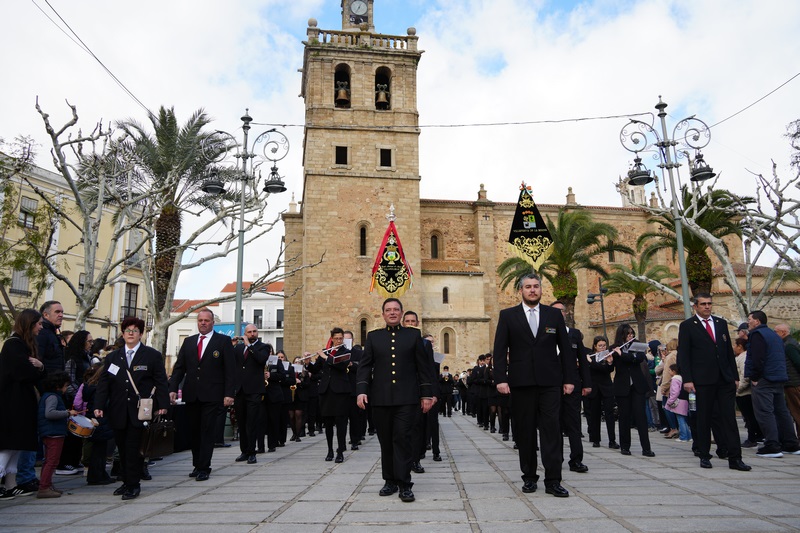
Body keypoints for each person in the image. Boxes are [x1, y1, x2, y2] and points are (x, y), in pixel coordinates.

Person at [493, 272, 576, 498]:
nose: (532, 290)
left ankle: (553, 480)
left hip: (550, 383)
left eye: (536, 286)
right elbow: (499, 350)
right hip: (521, 383)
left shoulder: (553, 315)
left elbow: (565, 350)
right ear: (521, 290)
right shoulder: (508, 316)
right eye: (528, 286)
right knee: (525, 432)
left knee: (552, 431)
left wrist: (569, 379)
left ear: (541, 289)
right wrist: (500, 378)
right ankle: (529, 477)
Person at [357, 298, 435, 503]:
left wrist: (426, 394)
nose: (392, 313)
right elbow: (365, 366)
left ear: (401, 313)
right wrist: (361, 390)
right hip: (381, 398)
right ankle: (389, 480)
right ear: (383, 314)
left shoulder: (413, 335)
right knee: (386, 441)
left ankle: (404, 484)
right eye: (388, 310)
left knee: (402, 439)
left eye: (396, 310)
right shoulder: (374, 337)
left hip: (406, 398)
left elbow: (423, 367)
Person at [94, 316, 169, 500]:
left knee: (133, 448)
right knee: (121, 447)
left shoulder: (151, 355)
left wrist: (163, 405)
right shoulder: (113, 357)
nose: (131, 334)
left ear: (141, 334)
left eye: (135, 331)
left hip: (140, 410)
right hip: (118, 409)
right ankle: (127, 481)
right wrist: (99, 405)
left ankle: (133, 484)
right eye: (127, 330)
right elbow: (104, 383)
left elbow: (160, 381)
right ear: (122, 333)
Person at [677, 293, 750, 471]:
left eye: (709, 303)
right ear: (695, 306)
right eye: (703, 304)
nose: (707, 307)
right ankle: (704, 455)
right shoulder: (688, 326)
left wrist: (734, 376)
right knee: (703, 418)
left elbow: (728, 352)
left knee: (729, 419)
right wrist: (687, 379)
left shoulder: (720, 323)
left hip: (724, 379)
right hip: (702, 380)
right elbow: (684, 355)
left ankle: (735, 458)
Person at [169, 308, 236, 481]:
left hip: (212, 395)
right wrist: (172, 388)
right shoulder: (189, 342)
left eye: (206, 320)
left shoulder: (223, 341)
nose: (203, 323)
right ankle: (197, 464)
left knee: (207, 431)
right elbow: (179, 368)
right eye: (200, 320)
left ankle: (204, 467)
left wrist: (229, 393)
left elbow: (230, 370)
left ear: (212, 322)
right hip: (192, 394)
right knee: (194, 431)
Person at [0, 309, 46, 501]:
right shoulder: (14, 345)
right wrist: (39, 368)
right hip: (12, 403)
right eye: (39, 323)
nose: (41, 327)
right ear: (30, 323)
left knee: (16, 446)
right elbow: (25, 372)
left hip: (20, 402)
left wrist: (40, 367)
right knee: (8, 445)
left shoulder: (19, 344)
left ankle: (11, 485)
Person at [744, 311, 800, 457]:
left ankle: (772, 445)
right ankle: (791, 444)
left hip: (764, 379)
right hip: (778, 377)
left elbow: (757, 358)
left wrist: (755, 376)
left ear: (757, 321)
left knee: (765, 412)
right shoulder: (774, 336)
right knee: (782, 412)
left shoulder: (757, 335)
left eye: (749, 319)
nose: (748, 322)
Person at [552, 301, 591, 473]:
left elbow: (582, 360)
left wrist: (586, 383)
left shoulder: (574, 334)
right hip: (552, 387)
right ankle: (556, 458)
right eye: (554, 311)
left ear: (565, 313)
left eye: (561, 310)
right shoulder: (544, 334)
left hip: (572, 385)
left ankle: (576, 460)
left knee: (574, 424)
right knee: (554, 425)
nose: (558, 313)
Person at [610, 324, 655, 458]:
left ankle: (646, 448)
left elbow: (639, 359)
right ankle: (625, 446)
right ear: (622, 335)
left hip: (637, 385)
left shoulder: (637, 345)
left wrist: (622, 355)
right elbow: (612, 367)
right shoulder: (614, 348)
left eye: (632, 334)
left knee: (641, 416)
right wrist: (609, 361)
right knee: (624, 416)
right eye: (628, 334)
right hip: (622, 386)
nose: (630, 336)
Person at [309, 328, 352, 463]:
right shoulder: (326, 351)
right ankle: (330, 450)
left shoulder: (345, 352)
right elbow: (315, 369)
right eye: (336, 338)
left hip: (340, 391)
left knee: (341, 422)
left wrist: (325, 357)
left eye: (341, 338)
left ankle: (340, 451)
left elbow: (340, 366)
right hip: (326, 391)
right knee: (327, 422)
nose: (339, 341)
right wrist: (308, 362)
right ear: (332, 339)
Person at [233, 324, 271, 465]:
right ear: (245, 333)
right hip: (240, 390)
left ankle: (252, 452)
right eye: (249, 332)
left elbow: (261, 360)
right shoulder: (238, 348)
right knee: (241, 422)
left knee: (252, 422)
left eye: (254, 331)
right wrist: (231, 346)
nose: (252, 334)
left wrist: (249, 345)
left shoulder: (263, 347)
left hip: (254, 389)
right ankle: (244, 451)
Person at [37, 372, 77, 498]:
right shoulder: (53, 397)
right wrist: (67, 413)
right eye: (65, 386)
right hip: (53, 433)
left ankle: (47, 485)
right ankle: (44, 487)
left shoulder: (49, 395)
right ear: (58, 386)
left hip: (50, 432)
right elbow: (50, 413)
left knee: (49, 460)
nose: (66, 388)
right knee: (52, 461)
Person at [585, 335, 618, 449]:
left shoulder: (607, 355)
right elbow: (590, 370)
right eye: (600, 346)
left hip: (606, 388)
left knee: (610, 414)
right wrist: (590, 362)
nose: (602, 348)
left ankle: (612, 440)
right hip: (594, 388)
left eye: (604, 345)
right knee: (595, 414)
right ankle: (596, 439)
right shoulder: (590, 356)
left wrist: (610, 363)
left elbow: (607, 370)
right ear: (595, 346)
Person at [734, 338, 762, 447]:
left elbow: (745, 377)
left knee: (749, 417)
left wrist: (737, 390)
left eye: (735, 345)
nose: (734, 348)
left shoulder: (743, 358)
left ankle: (752, 438)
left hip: (744, 393)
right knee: (749, 416)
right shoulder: (740, 357)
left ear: (740, 346)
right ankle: (757, 435)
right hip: (742, 393)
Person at [774, 323, 800, 436]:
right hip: (792, 383)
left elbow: (798, 362)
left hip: (794, 384)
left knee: (797, 412)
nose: (774, 334)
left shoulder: (788, 345)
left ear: (783, 332)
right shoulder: (788, 343)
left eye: (776, 332)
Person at [664, 364, 692, 442]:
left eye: (669, 370)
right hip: (684, 400)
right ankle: (689, 436)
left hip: (678, 401)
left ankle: (683, 437)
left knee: (680, 419)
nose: (669, 372)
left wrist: (670, 401)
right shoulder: (682, 378)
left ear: (674, 371)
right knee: (684, 419)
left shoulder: (675, 379)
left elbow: (675, 392)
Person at [37, 301, 65, 374]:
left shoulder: (52, 333)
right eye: (57, 312)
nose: (61, 315)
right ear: (46, 315)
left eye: (62, 312)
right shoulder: (42, 332)